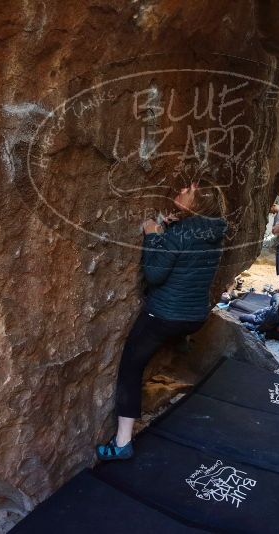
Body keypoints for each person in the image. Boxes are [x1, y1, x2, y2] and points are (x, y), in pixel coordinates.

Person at [96, 180, 228, 461]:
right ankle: (180, 345)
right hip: (194, 317)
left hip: (166, 315)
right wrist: (169, 231)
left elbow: (155, 275)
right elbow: (186, 257)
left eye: (187, 191)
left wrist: (152, 234)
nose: (179, 191)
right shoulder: (214, 232)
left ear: (198, 201)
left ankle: (121, 443)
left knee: (130, 367)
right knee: (167, 336)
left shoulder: (179, 233)